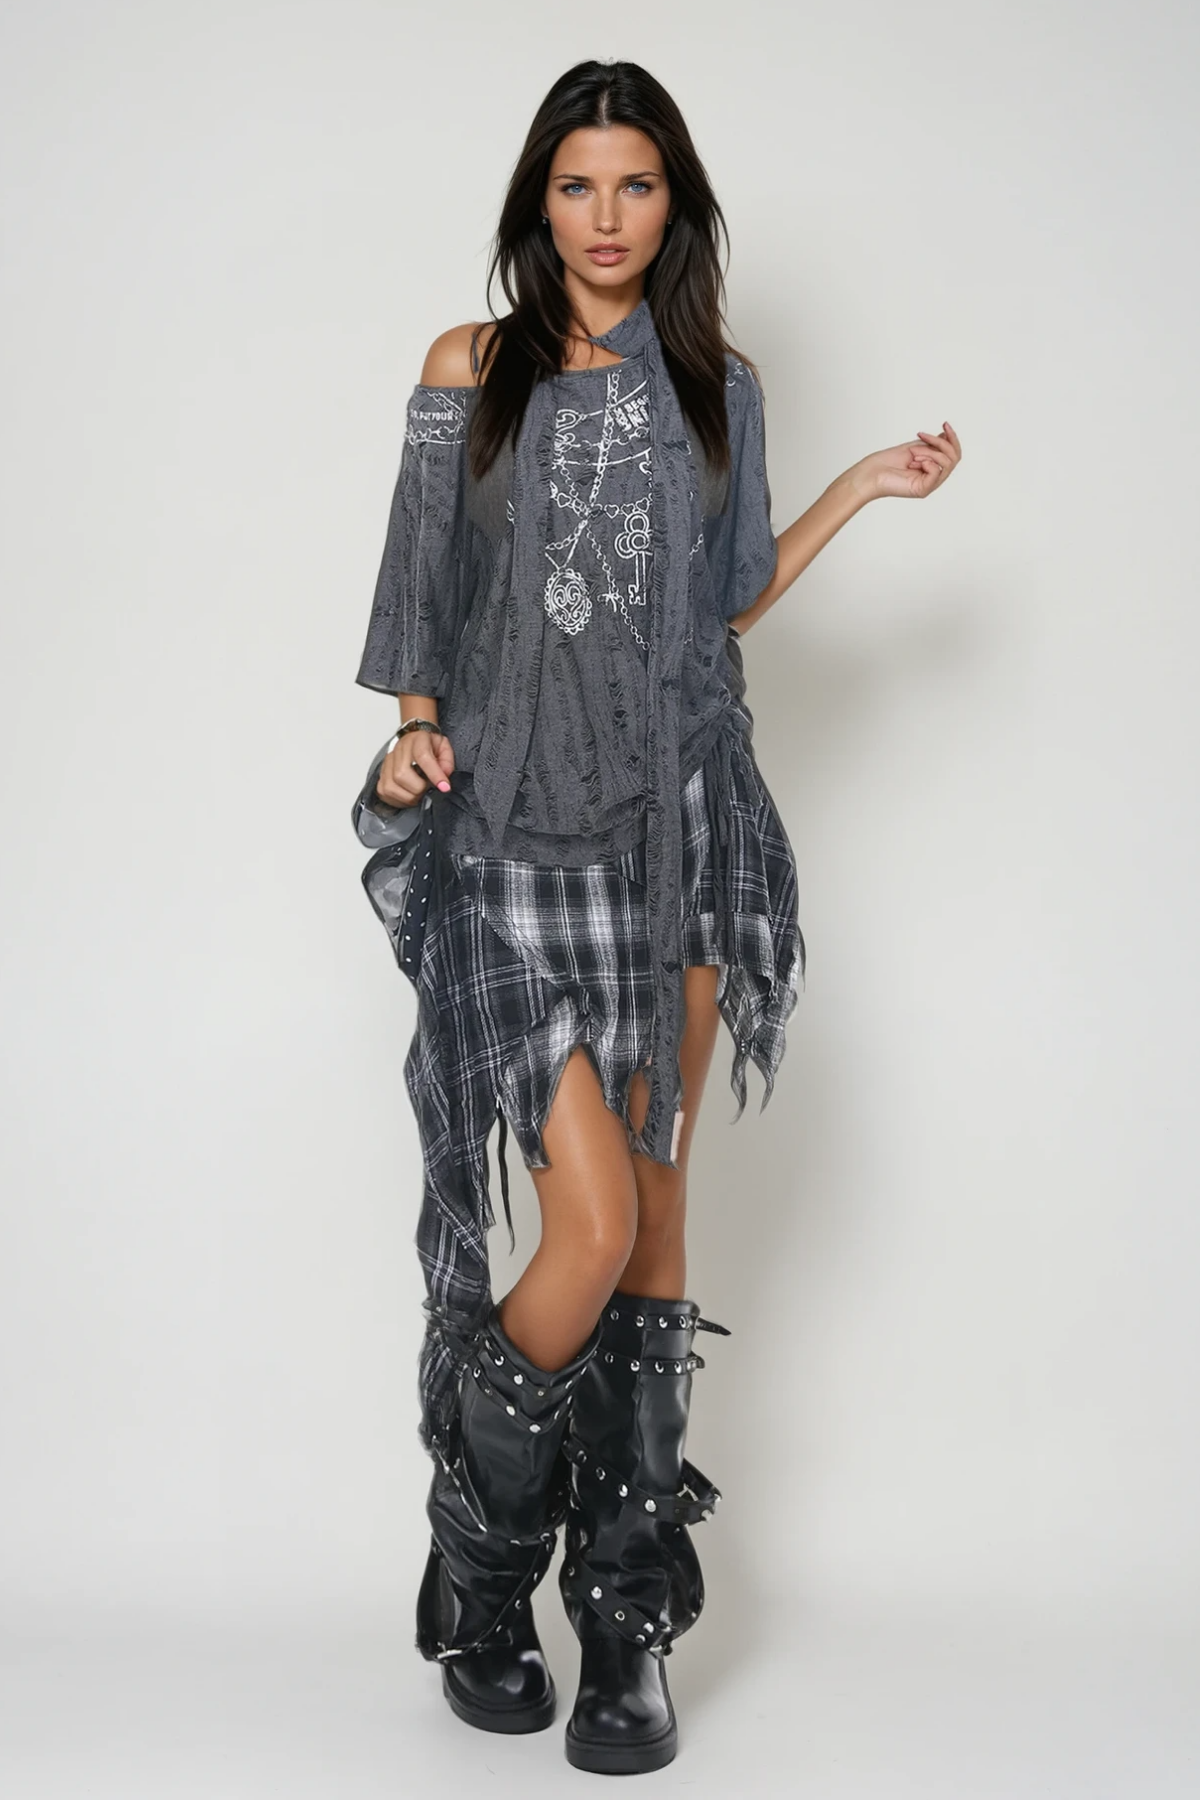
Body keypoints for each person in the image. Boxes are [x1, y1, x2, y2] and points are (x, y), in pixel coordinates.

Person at [352, 58, 960, 1777]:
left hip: (680, 832)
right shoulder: (467, 370)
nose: (606, 217)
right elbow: (421, 595)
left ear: (673, 204)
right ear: (537, 203)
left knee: (661, 1227)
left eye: (636, 186)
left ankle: (626, 1624)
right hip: (509, 837)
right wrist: (411, 734)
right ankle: (482, 1569)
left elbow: (728, 593)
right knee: (591, 1224)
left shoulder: (719, 384)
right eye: (577, 186)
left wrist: (860, 485)